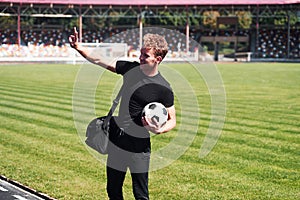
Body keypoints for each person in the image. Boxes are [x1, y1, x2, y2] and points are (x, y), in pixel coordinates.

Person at [69, 27, 176, 200]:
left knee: (141, 194)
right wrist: (78, 47)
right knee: (113, 189)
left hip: (139, 147)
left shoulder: (163, 88)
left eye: (145, 56)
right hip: (118, 141)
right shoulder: (131, 69)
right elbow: (99, 60)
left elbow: (172, 120)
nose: (140, 58)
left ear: (158, 59)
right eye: (141, 54)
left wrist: (159, 130)